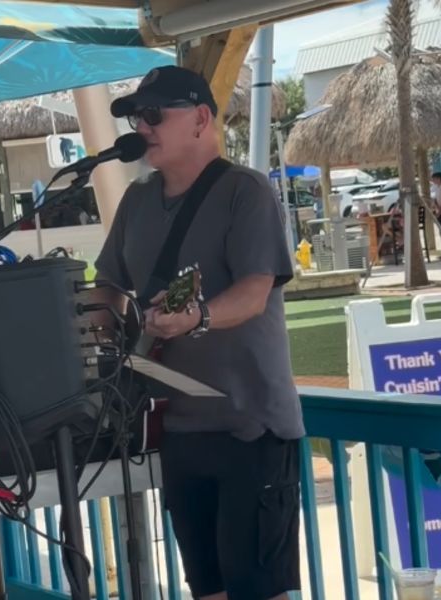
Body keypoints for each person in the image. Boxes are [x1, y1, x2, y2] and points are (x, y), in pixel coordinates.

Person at [93, 65, 304, 600]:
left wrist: (197, 317)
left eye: (153, 115)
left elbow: (254, 293)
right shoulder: (136, 200)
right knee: (207, 588)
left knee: (259, 590)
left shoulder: (245, 190)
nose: (142, 127)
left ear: (200, 118)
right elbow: (107, 287)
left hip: (250, 426)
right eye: (136, 117)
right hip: (178, 429)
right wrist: (88, 338)